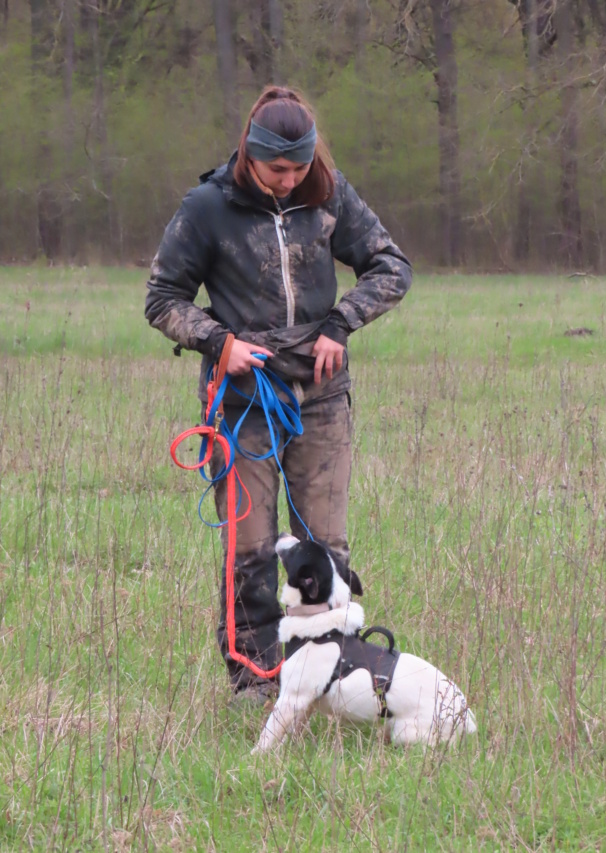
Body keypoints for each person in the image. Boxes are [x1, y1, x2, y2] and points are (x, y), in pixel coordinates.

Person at [145, 85, 412, 703]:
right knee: (252, 548)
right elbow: (162, 299)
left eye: (300, 166)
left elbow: (391, 265)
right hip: (243, 403)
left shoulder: (329, 192)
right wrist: (219, 342)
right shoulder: (206, 207)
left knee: (326, 545)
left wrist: (341, 324)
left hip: (320, 397)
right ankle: (256, 680)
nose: (291, 180)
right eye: (278, 169)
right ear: (249, 153)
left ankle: (331, 677)